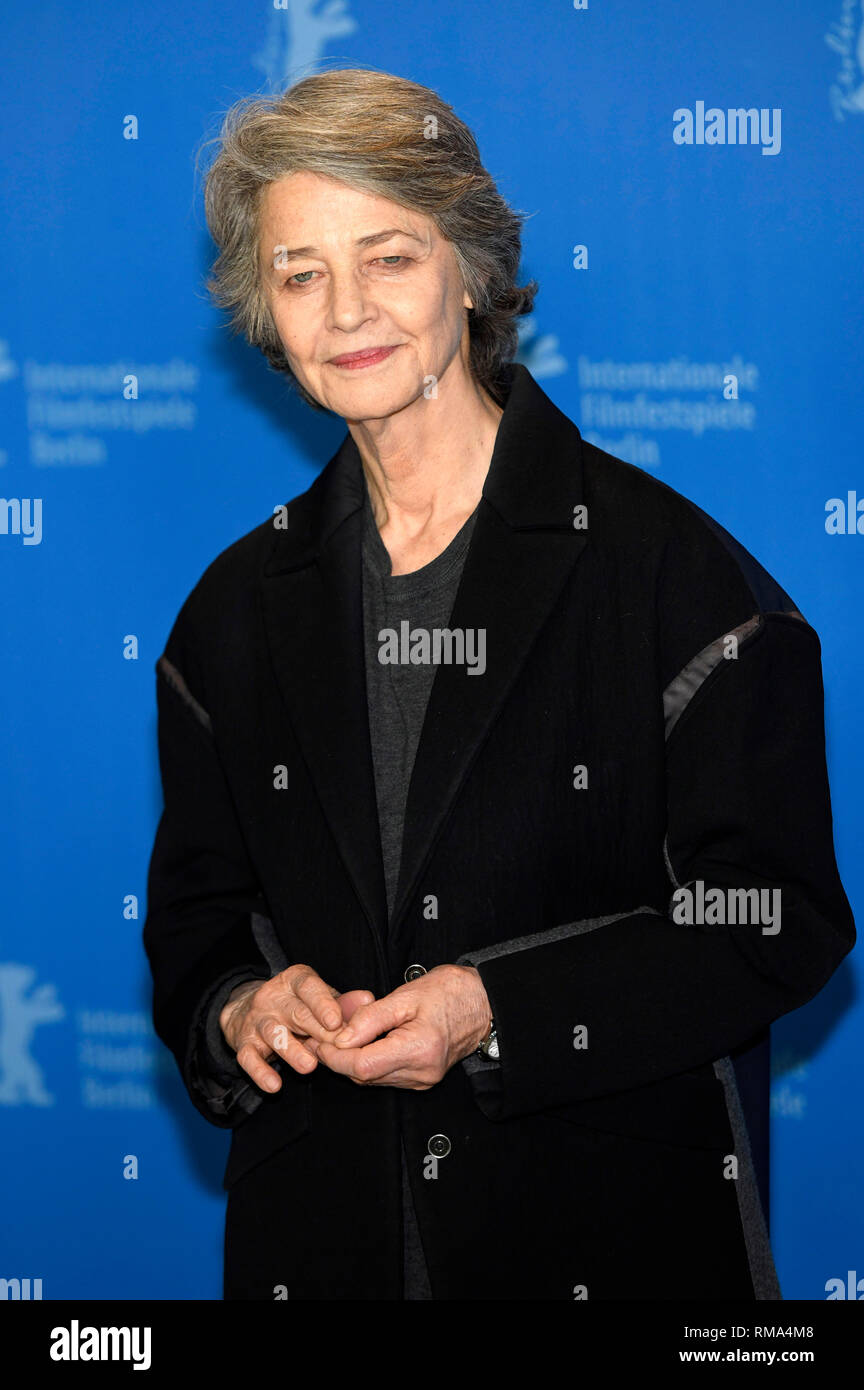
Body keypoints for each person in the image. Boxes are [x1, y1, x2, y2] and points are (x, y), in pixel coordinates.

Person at [143, 67, 855, 1301]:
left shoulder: (673, 572)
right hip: (318, 1252)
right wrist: (244, 1005)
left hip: (607, 1244)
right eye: (302, 271)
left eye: (389, 257)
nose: (347, 308)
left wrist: (494, 1007)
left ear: (468, 271)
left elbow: (778, 915)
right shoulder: (230, 611)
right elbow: (199, 922)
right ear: (265, 309)